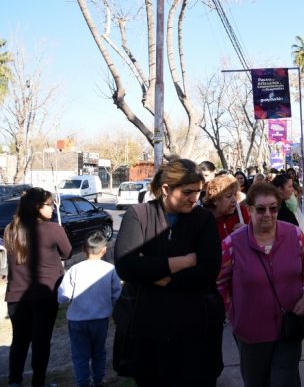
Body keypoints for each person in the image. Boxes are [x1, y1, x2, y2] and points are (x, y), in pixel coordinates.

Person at [113, 158, 225, 386]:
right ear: (166, 189)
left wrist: (157, 275)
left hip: (196, 334)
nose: (194, 198)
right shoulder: (139, 215)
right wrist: (183, 261)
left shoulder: (203, 219)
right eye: (187, 192)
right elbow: (126, 266)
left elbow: (208, 271)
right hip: (149, 336)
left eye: (198, 191)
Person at [217, 182, 304, 387]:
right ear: (249, 209)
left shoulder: (295, 235)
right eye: (261, 209)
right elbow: (220, 283)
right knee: (257, 381)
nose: (268, 214)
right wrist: (233, 314)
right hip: (251, 332)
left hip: (290, 326)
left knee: (285, 380)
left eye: (273, 208)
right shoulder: (231, 244)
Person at [5, 188, 72, 387]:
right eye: (49, 205)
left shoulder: (11, 228)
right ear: (37, 207)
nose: (52, 209)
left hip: (16, 295)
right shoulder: (53, 229)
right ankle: (38, 382)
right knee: (41, 341)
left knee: (19, 340)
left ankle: (14, 380)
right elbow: (67, 252)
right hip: (44, 294)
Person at [58, 232, 122, 387]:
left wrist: (64, 300)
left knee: (80, 355)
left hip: (77, 320)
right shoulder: (110, 269)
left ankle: (83, 383)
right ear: (104, 250)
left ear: (83, 249)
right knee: (99, 352)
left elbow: (63, 295)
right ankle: (98, 381)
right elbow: (117, 294)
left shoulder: (75, 269)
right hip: (100, 320)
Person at [203, 175, 250, 241]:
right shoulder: (204, 220)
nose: (234, 199)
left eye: (235, 195)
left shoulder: (242, 212)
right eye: (229, 196)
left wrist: (248, 231)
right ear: (215, 200)